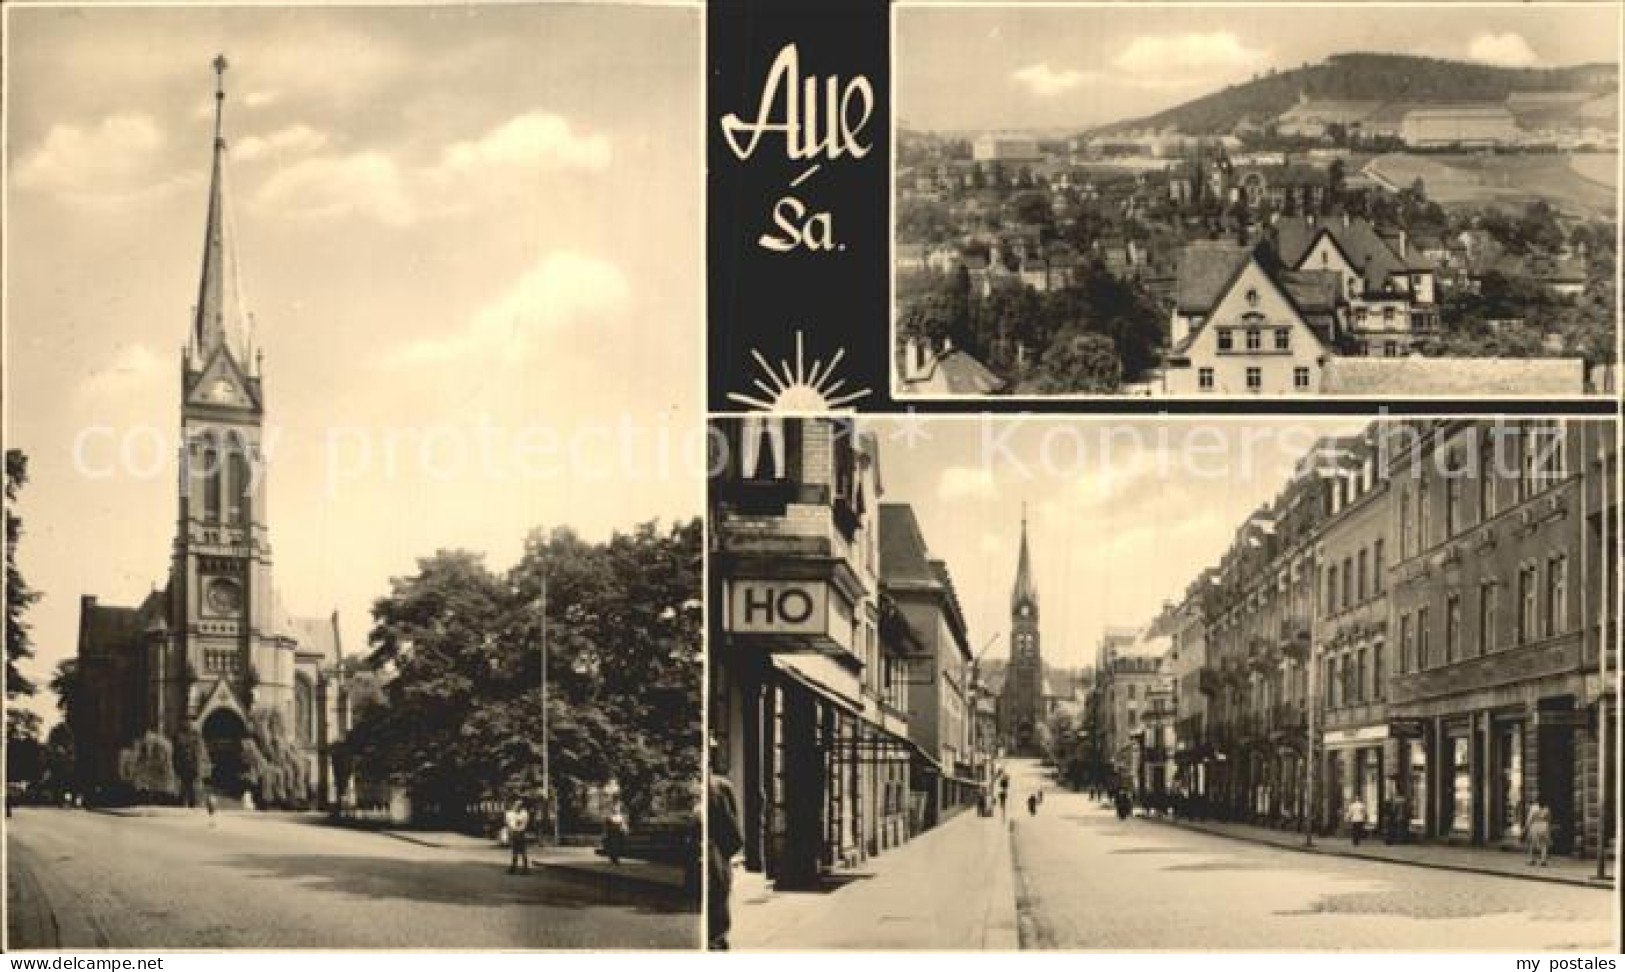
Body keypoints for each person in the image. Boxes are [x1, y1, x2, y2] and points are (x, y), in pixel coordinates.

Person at [708, 749, 744, 951]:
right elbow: (733, 833)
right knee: (716, 925)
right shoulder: (719, 786)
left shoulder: (715, 787)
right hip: (716, 858)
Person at [505, 800, 532, 875]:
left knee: (523, 851)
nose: (518, 807)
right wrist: (509, 832)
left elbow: (524, 823)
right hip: (513, 833)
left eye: (520, 805)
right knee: (514, 851)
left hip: (521, 833)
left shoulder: (524, 813)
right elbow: (508, 823)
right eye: (517, 805)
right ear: (514, 805)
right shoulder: (510, 813)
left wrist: (518, 825)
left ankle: (525, 869)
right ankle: (513, 867)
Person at [1525, 799, 1552, 866]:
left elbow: (1530, 818)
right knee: (1544, 844)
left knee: (1532, 844)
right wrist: (1548, 827)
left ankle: (1532, 860)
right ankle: (1543, 860)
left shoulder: (1533, 808)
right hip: (1544, 826)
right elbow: (1549, 819)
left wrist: (1526, 827)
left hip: (1535, 825)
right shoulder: (1546, 809)